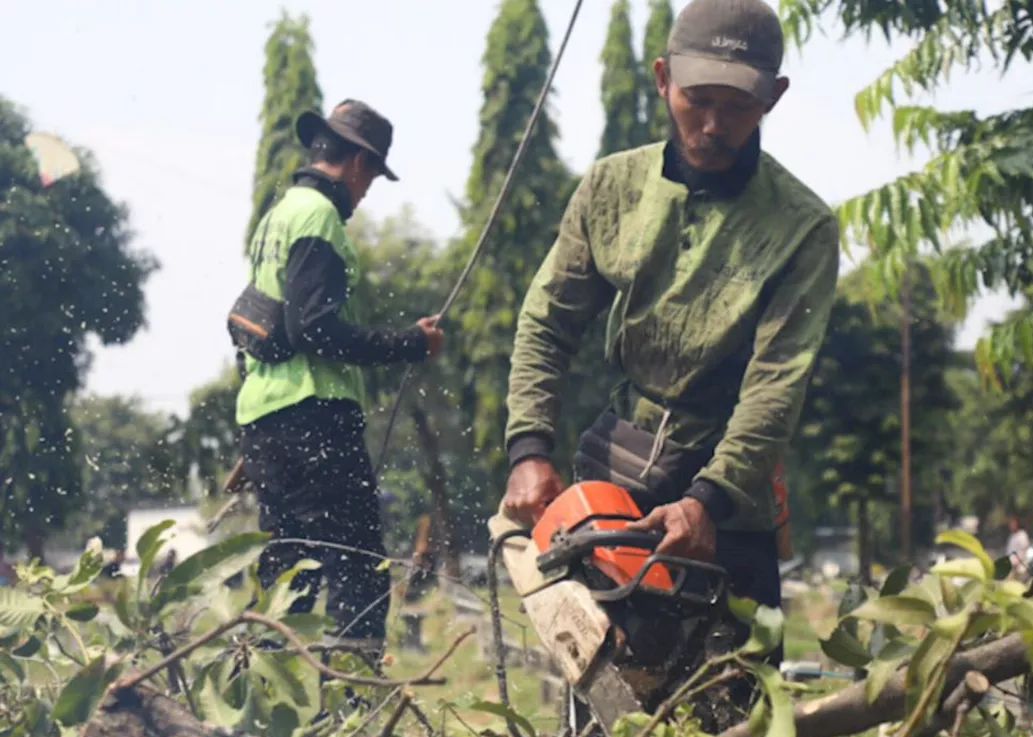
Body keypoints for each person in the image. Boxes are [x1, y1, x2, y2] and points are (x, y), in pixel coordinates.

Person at [502, 0, 838, 662]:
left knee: (736, 717)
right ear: (662, 79)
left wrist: (706, 501)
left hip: (730, 496)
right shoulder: (609, 187)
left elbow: (776, 386)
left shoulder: (803, 227)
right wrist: (529, 447)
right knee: (603, 701)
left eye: (738, 105)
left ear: (774, 96)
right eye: (696, 98)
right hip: (613, 474)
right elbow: (548, 321)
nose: (713, 124)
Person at [230, 100, 445, 644]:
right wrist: (409, 344)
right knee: (358, 571)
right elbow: (315, 329)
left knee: (286, 578)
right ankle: (352, 712)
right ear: (357, 163)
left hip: (268, 421)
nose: (367, 190)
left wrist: (260, 441)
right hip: (315, 422)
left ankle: (262, 711)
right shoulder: (320, 219)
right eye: (372, 177)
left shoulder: (276, 217)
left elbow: (260, 324)